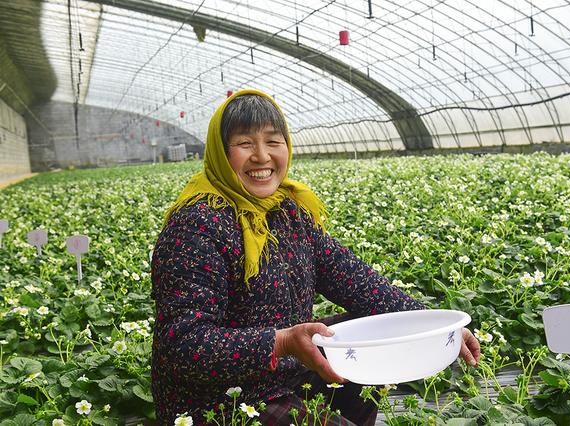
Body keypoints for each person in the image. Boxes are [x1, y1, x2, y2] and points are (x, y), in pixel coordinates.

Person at [150, 89, 481, 426]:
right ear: (221, 152)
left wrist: (435, 327)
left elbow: (354, 279)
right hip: (219, 402)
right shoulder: (197, 226)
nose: (262, 156)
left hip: (284, 375)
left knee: (364, 348)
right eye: (245, 143)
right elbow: (182, 344)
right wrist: (280, 342)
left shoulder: (288, 211)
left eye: (273, 141)